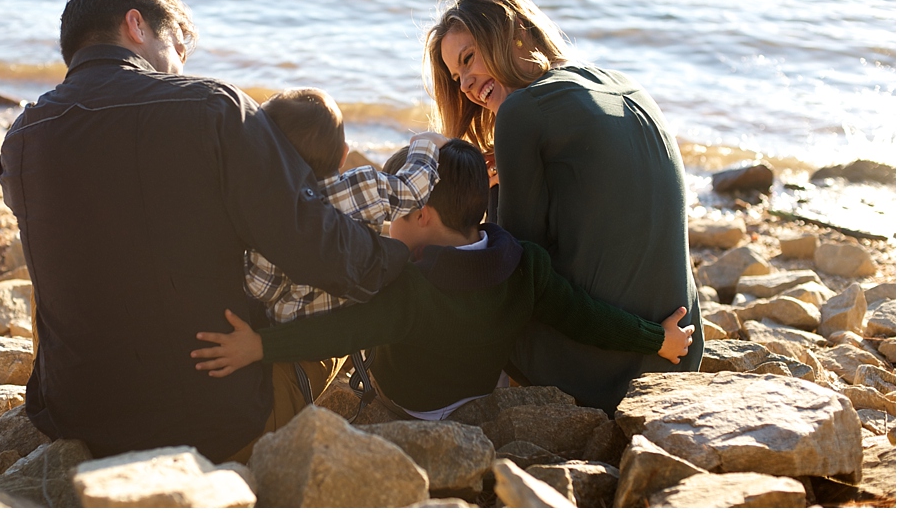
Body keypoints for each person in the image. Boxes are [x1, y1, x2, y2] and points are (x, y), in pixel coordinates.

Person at [0, 0, 410, 462]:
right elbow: (315, 246)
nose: (179, 67)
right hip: (217, 426)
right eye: (177, 48)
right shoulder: (214, 106)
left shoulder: (23, 136)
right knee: (348, 284)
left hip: (75, 418)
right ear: (137, 24)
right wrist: (400, 254)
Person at [191, 140, 694, 421]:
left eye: (396, 211)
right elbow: (587, 317)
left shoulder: (409, 286)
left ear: (423, 214)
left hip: (410, 402)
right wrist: (658, 338)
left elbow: (342, 333)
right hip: (476, 393)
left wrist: (259, 346)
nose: (390, 223)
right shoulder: (527, 265)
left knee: (354, 313)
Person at [423, 0, 703, 413]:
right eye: (457, 78)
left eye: (468, 59)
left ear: (513, 32)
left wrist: (491, 192)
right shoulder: (622, 84)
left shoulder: (519, 114)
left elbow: (515, 273)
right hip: (681, 353)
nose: (466, 85)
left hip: (602, 372)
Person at [246, 88, 445, 325]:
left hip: (295, 330)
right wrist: (425, 145)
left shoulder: (273, 214)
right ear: (344, 155)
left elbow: (262, 289)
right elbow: (413, 190)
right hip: (353, 314)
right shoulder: (362, 187)